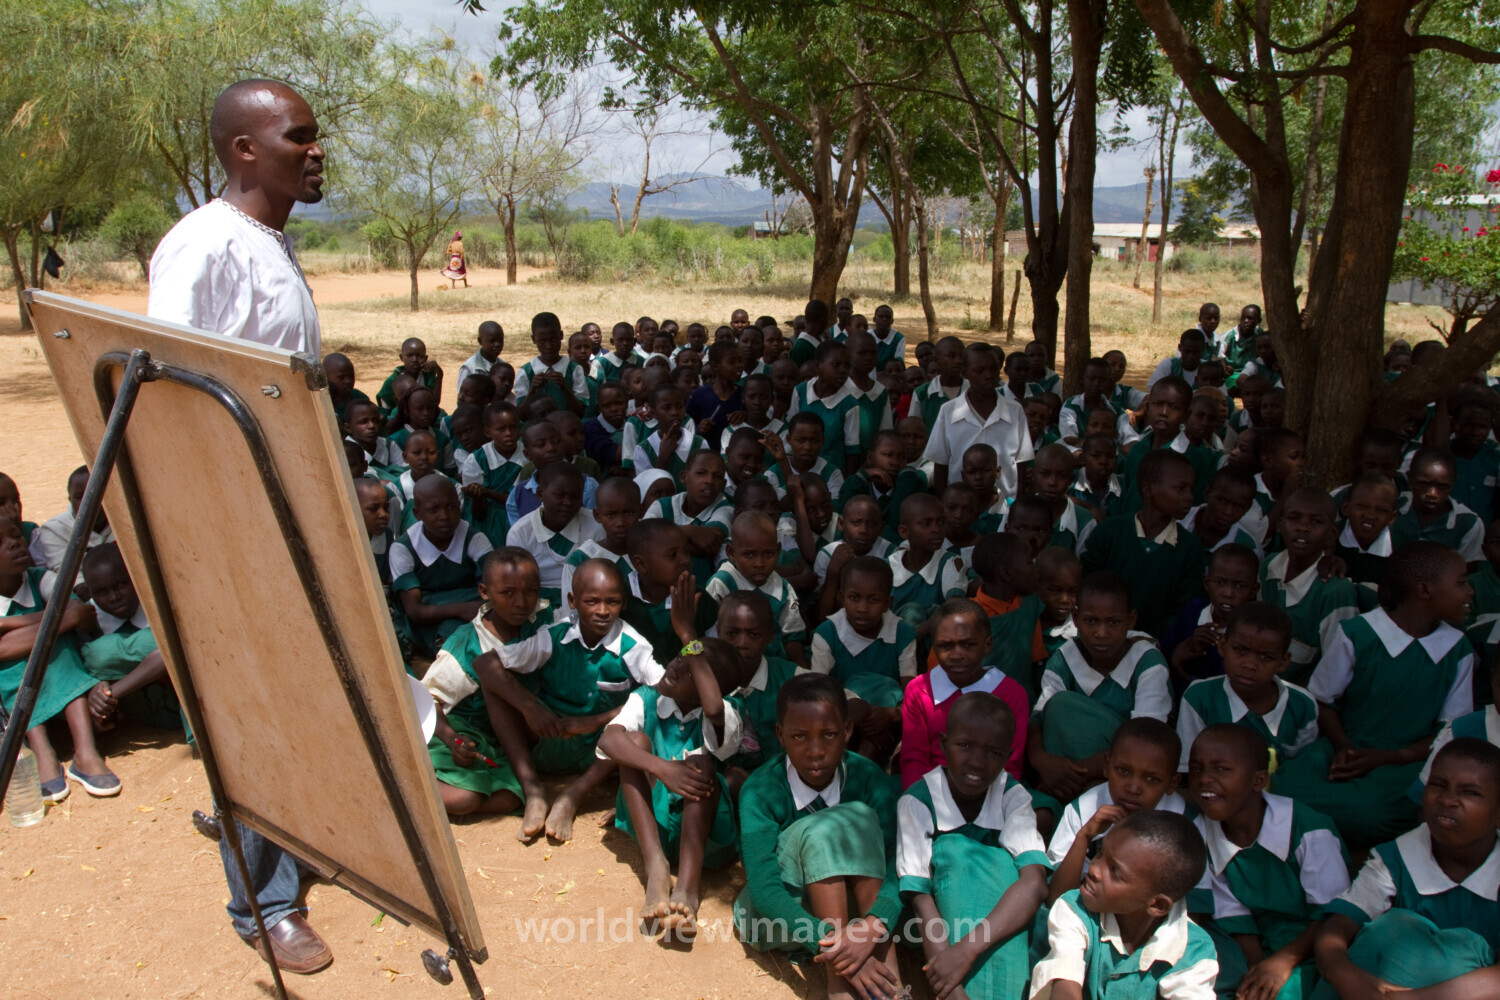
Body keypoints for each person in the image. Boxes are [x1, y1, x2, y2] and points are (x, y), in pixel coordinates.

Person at [146, 78, 332, 973]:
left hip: (284, 516)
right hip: (234, 526)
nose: (317, 150)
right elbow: (166, 390)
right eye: (299, 136)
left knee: (295, 695)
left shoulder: (269, 241)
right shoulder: (203, 245)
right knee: (256, 705)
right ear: (244, 149)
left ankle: (278, 839)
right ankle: (264, 901)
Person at [1275, 541, 1476, 849]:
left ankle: (1325, 831)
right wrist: (1344, 746)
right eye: (1461, 583)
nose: (1470, 591)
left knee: (1375, 814)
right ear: (1424, 590)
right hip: (1346, 749)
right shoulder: (1358, 633)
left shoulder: (1457, 650)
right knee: (1279, 787)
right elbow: (1322, 701)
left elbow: (1450, 730)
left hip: (1406, 762)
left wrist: (1392, 757)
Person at [733, 674, 904, 1000]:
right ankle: (839, 986)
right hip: (781, 921)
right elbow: (765, 890)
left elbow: (899, 859)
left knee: (858, 818)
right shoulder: (759, 789)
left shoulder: (868, 778)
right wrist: (836, 945)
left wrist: (873, 926)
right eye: (799, 736)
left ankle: (890, 985)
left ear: (848, 731)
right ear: (780, 735)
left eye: (829, 735)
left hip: (856, 917)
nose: (815, 751)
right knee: (830, 827)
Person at [1312, 739, 1500, 999]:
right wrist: (1350, 979)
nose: (1448, 800)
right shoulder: (1396, 858)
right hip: (1375, 989)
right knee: (1389, 931)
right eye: (1438, 785)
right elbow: (1335, 932)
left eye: (1470, 792)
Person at [898, 693, 1050, 1000]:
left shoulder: (1013, 796)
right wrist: (951, 988)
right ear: (942, 744)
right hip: (934, 931)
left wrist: (967, 950)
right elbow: (920, 900)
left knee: (1008, 870)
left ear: (1008, 757)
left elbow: (1035, 884)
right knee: (955, 851)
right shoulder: (917, 801)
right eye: (964, 745)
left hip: (988, 934)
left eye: (993, 752)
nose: (977, 761)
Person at [1185, 725, 1350, 1000]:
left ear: (1259, 781)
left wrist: (1282, 962)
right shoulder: (1200, 832)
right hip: (1252, 940)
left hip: (1314, 940)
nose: (1204, 779)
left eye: (1221, 769)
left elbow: (1333, 915)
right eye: (1196, 768)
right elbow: (1233, 916)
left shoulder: (1307, 829)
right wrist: (1256, 966)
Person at [597, 636, 744, 938]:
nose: (676, 666)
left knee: (702, 766)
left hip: (703, 834)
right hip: (657, 828)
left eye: (691, 670)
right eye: (680, 657)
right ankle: (656, 867)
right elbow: (607, 740)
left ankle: (688, 887)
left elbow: (714, 709)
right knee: (632, 742)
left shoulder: (726, 714)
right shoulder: (645, 698)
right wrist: (662, 768)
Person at [1030, 810, 1218, 1000]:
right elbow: (1065, 989)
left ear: (1158, 905)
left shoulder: (1194, 950)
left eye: (1115, 872)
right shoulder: (1075, 909)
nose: (1094, 870)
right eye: (1100, 853)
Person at [1047, 719, 1188, 903]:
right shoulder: (1083, 810)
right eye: (1123, 771)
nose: (1134, 788)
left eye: (1151, 779)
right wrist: (1083, 838)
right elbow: (1056, 899)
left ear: (1172, 783)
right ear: (1106, 766)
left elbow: (1193, 910)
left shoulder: (1186, 822)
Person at [900, 597, 1030, 786]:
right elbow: (914, 761)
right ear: (933, 648)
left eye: (968, 645)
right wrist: (921, 806)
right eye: (945, 646)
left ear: (987, 645)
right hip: (932, 793)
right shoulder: (919, 690)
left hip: (991, 792)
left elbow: (1010, 767)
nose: (957, 655)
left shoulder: (1012, 694)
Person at [34, 465, 116, 573]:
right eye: (79, 497)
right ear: (70, 500)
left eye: (97, 494)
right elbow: (65, 573)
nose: (88, 502)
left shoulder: (128, 521)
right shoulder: (55, 530)